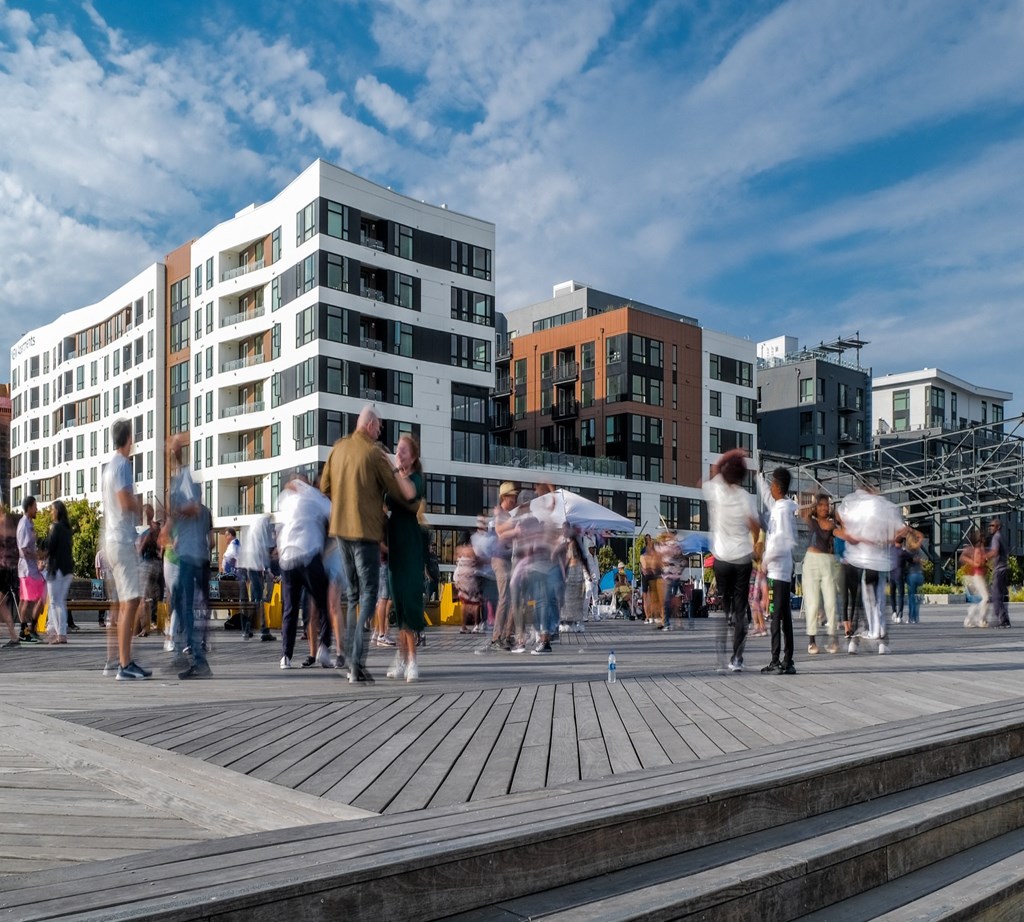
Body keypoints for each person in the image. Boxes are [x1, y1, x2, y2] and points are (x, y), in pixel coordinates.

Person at [319, 406, 415, 684]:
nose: (380, 431)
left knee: (353, 596)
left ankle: (351, 661)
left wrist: (346, 499)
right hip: (365, 533)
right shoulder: (374, 453)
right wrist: (392, 469)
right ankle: (356, 662)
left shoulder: (337, 449)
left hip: (341, 531)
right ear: (371, 425)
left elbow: (325, 487)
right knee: (370, 593)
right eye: (380, 426)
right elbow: (398, 490)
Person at [101, 419, 151, 680]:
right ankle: (124, 664)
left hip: (112, 540)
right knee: (131, 602)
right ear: (129, 439)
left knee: (124, 603)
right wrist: (142, 508)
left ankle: (123, 661)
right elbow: (124, 500)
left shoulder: (109, 467)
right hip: (121, 540)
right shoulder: (122, 465)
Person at [702, 448, 760, 673]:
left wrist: (732, 453)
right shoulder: (745, 497)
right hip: (742, 558)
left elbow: (714, 467)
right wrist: (755, 540)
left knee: (725, 602)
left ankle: (727, 616)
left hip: (721, 558)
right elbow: (754, 526)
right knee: (741, 607)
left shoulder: (716, 489)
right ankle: (737, 658)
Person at [166, 433, 212, 679]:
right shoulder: (179, 480)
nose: (168, 451)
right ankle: (192, 655)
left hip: (191, 556)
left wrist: (175, 513)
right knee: (185, 606)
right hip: (192, 554)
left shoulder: (184, 478)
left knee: (186, 607)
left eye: (171, 448)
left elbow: (193, 508)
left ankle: (197, 659)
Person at [276, 472, 333, 670]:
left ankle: (285, 656)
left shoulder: (284, 498)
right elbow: (333, 514)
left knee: (290, 609)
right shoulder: (314, 495)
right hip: (308, 555)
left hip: (287, 559)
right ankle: (324, 648)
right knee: (324, 603)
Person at [384, 434, 427, 681]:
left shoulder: (416, 478)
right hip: (394, 545)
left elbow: (410, 493)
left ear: (413, 457)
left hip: (409, 543)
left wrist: (393, 471)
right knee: (398, 603)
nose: (398, 454)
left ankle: (412, 661)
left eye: (403, 451)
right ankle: (401, 658)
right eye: (397, 450)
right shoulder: (393, 478)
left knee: (409, 601)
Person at [758, 467, 798, 675]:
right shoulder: (779, 507)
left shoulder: (782, 511)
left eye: (772, 484)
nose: (770, 488)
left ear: (778, 487)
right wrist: (758, 477)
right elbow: (766, 497)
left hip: (779, 570)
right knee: (782, 617)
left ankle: (780, 660)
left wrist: (765, 562)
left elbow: (782, 541)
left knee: (777, 618)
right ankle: (785, 660)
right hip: (778, 569)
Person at [801, 494, 839, 655]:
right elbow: (802, 510)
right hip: (811, 562)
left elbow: (842, 531)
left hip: (828, 562)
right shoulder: (812, 521)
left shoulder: (832, 524)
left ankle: (833, 638)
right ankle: (812, 641)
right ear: (816, 507)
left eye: (827, 505)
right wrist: (813, 493)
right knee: (813, 602)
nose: (824, 507)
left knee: (831, 601)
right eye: (821, 505)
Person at [237, 514, 276, 642]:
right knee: (258, 600)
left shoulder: (253, 528)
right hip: (253, 568)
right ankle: (263, 630)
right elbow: (265, 550)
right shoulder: (263, 529)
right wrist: (268, 569)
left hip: (246, 566)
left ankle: (247, 629)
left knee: (253, 599)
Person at [44, 500, 74, 644]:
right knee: (61, 601)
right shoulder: (68, 529)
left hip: (56, 569)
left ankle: (60, 634)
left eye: (52, 510)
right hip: (67, 569)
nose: (51, 512)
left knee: (55, 602)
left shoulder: (55, 527)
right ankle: (60, 632)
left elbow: (50, 546)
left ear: (57, 511)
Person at [16, 496, 45, 643]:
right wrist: (38, 556)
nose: (37, 509)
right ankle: (26, 631)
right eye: (35, 507)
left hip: (31, 569)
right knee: (27, 601)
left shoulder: (28, 523)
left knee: (30, 599)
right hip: (27, 570)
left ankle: (28, 629)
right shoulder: (24, 525)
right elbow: (24, 550)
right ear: (29, 508)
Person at [961, 529, 989, 628]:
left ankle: (972, 619)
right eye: (983, 537)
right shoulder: (977, 550)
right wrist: (982, 562)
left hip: (979, 576)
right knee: (985, 598)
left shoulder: (980, 549)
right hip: (977, 576)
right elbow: (977, 563)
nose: (985, 539)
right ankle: (980, 620)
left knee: (979, 600)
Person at [988, 519, 1010, 628]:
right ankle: (1004, 620)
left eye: (993, 525)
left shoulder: (996, 537)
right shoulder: (1001, 537)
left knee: (996, 596)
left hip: (999, 570)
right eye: (990, 525)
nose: (990, 527)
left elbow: (995, 551)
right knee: (1001, 596)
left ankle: (1003, 621)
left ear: (998, 527)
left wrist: (985, 557)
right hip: (1003, 569)